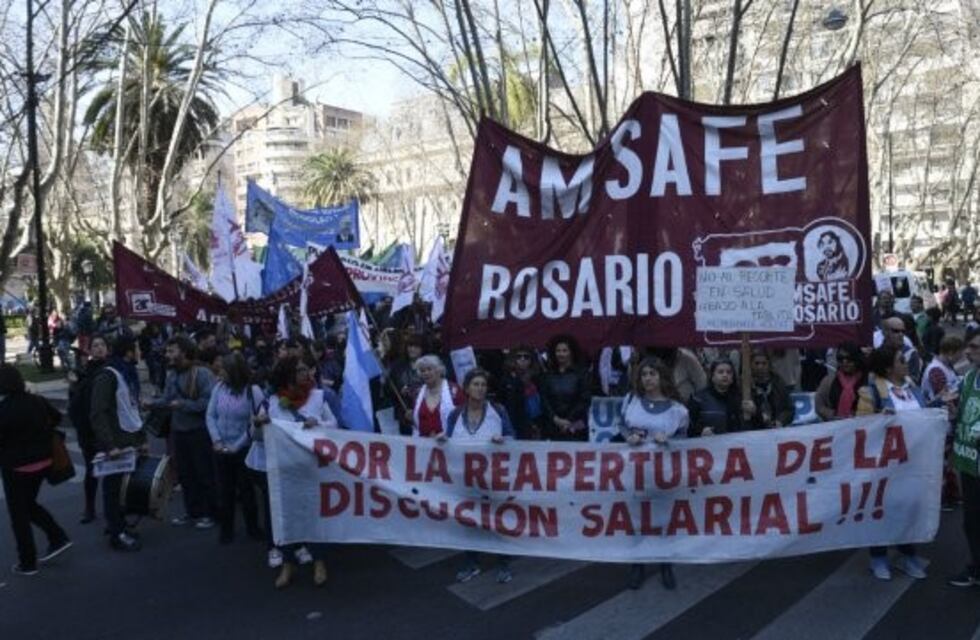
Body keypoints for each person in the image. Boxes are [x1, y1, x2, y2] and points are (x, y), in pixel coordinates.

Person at [856, 345, 929, 581]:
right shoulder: (871, 392)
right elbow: (860, 427)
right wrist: (879, 420)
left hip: (912, 463)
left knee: (908, 509)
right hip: (883, 465)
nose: (906, 363)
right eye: (901, 360)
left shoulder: (913, 388)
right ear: (888, 368)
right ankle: (878, 557)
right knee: (881, 511)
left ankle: (908, 554)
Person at [267, 354, 337, 588]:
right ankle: (288, 563)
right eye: (299, 370)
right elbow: (260, 435)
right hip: (284, 468)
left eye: (306, 369)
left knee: (314, 514)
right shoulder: (274, 402)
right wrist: (259, 424)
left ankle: (320, 561)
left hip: (310, 466)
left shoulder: (318, 396)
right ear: (287, 375)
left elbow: (334, 424)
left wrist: (318, 423)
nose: (306, 373)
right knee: (285, 516)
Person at [620, 358, 688, 590]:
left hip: (664, 472)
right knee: (637, 517)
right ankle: (637, 565)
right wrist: (628, 437)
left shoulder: (678, 410)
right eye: (644, 374)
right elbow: (622, 426)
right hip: (635, 471)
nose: (647, 378)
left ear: (662, 377)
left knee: (664, 517)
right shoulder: (631, 401)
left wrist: (669, 440)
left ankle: (665, 563)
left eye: (652, 374)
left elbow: (685, 439)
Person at [442, 369, 515, 584]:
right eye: (475, 384)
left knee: (497, 520)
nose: (480, 388)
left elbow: (513, 437)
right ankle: (471, 562)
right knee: (468, 521)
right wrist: (439, 439)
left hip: (493, 476)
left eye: (483, 385)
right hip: (465, 478)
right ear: (466, 388)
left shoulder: (498, 411)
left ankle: (504, 563)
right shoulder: (455, 414)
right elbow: (447, 439)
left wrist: (504, 439)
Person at [0, 364, 72, 574]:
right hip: (43, 463)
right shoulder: (36, 401)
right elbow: (57, 418)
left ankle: (28, 561)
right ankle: (57, 536)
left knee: (18, 515)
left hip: (16, 467)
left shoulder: (4, 410)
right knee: (28, 505)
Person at [146, 336, 217, 529]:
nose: (167, 355)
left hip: (199, 432)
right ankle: (192, 512)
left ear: (184, 352)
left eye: (172, 351)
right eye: (167, 351)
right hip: (180, 432)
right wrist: (150, 404)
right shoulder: (173, 375)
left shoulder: (202, 373)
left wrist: (183, 404)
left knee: (204, 473)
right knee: (186, 475)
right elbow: (167, 399)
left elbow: (209, 402)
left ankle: (210, 513)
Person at [90, 335, 146, 551]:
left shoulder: (126, 373)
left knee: (122, 490)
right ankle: (116, 533)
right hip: (116, 443)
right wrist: (109, 445)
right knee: (113, 491)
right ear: (129, 352)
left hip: (128, 440)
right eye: (137, 349)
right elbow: (98, 413)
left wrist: (141, 439)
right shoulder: (108, 375)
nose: (140, 353)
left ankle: (120, 525)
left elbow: (131, 409)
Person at [206, 352, 262, 545]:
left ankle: (253, 528)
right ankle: (226, 529)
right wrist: (216, 440)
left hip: (243, 449)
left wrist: (237, 446)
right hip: (220, 448)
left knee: (246, 491)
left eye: (224, 369)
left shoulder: (252, 391)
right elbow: (211, 415)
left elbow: (254, 424)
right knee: (224, 490)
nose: (219, 372)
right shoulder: (219, 388)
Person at [949, 331, 980, 587]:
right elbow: (962, 413)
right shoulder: (969, 378)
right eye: (969, 346)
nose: (969, 352)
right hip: (970, 463)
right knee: (971, 520)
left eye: (976, 347)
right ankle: (977, 567)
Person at [68, 334, 109, 523]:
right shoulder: (84, 372)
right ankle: (90, 507)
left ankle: (116, 509)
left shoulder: (112, 370)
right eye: (95, 345)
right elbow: (75, 403)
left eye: (102, 345)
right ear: (90, 350)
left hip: (108, 430)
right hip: (88, 431)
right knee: (91, 472)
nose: (99, 348)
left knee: (113, 473)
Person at [538, 335, 591, 441]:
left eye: (564, 351)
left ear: (571, 352)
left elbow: (585, 400)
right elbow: (544, 399)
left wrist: (568, 420)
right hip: (553, 426)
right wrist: (555, 419)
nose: (561, 354)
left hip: (576, 426)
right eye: (558, 351)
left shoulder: (582, 374)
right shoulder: (548, 375)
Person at [688, 359, 753, 436]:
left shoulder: (742, 398)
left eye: (729, 372)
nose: (725, 375)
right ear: (712, 376)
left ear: (733, 378)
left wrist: (755, 412)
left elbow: (756, 427)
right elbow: (689, 427)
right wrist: (700, 432)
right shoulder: (698, 399)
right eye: (720, 372)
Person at [412, 354, 464, 437]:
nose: (426, 373)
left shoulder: (454, 390)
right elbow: (415, 423)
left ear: (439, 370)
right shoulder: (417, 393)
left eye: (429, 369)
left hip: (449, 444)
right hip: (423, 445)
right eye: (422, 371)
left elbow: (464, 419)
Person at [500, 346, 544, 440]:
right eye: (519, 356)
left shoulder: (538, 379)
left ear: (531, 360)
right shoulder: (506, 379)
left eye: (526, 357)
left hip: (535, 425)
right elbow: (502, 403)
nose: (522, 359)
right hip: (513, 424)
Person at [814, 343, 868, 421]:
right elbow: (819, 406)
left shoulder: (868, 380)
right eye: (840, 358)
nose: (844, 361)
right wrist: (834, 415)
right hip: (836, 427)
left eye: (849, 358)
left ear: (857, 358)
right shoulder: (828, 381)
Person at [746, 350, 793, 428]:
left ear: (769, 365)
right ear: (750, 365)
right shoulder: (744, 385)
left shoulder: (778, 382)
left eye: (764, 363)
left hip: (776, 428)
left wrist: (780, 421)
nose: (760, 367)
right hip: (754, 429)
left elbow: (789, 409)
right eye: (756, 363)